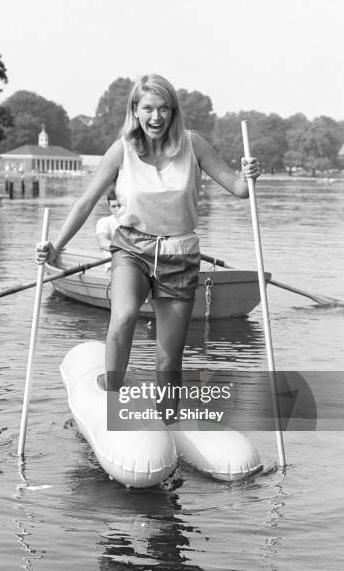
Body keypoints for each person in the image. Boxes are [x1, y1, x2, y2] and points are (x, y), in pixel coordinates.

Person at [36, 74, 261, 397]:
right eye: (148, 108)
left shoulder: (193, 144)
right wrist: (55, 247)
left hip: (180, 253)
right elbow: (86, 202)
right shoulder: (121, 151)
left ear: (173, 111)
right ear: (135, 111)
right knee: (125, 315)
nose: (156, 117)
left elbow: (239, 189)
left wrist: (249, 175)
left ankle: (169, 416)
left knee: (169, 359)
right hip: (131, 247)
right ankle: (112, 395)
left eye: (164, 108)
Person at [95, 189, 122, 254]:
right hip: (112, 263)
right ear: (109, 208)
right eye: (114, 206)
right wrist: (126, 249)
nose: (117, 209)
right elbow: (103, 242)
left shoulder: (134, 221)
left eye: (119, 205)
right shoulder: (104, 222)